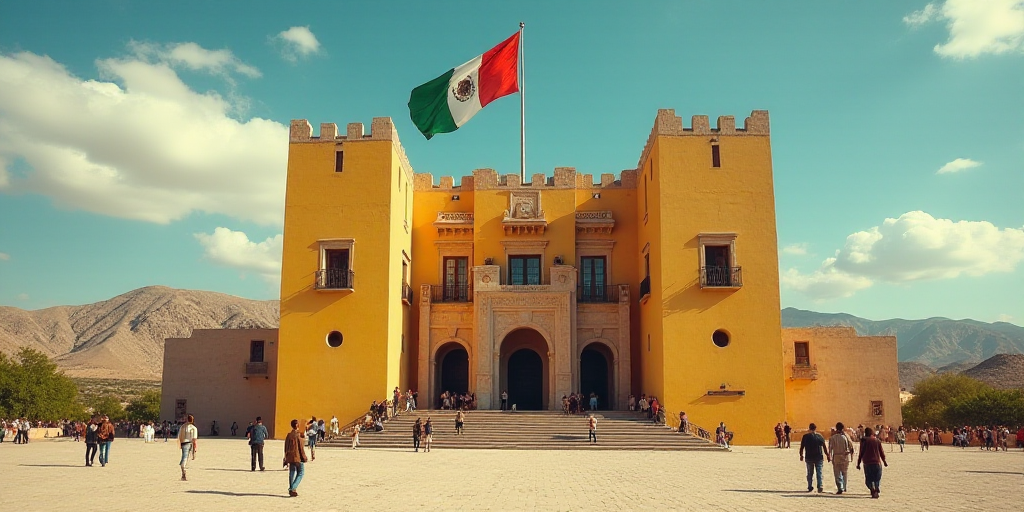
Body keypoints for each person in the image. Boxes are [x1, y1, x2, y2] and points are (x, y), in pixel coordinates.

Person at [799, 423, 831, 493]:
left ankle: (810, 486)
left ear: (809, 428)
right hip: (818, 457)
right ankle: (820, 486)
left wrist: (801, 455)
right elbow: (824, 446)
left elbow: (802, 447)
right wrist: (827, 455)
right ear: (815, 429)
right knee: (819, 472)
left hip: (809, 457)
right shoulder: (819, 436)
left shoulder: (805, 437)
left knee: (810, 473)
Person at [857, 427, 888, 498]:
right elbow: (881, 452)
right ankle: (876, 488)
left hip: (867, 463)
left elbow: (861, 453)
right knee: (877, 478)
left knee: (869, 479)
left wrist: (858, 463)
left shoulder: (864, 441)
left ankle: (872, 489)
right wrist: (884, 461)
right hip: (877, 462)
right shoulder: (877, 441)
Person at [828, 422, 855, 495]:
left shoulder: (833, 438)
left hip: (836, 456)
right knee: (844, 472)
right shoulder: (846, 437)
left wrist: (829, 456)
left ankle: (840, 487)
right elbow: (851, 448)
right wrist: (851, 456)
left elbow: (830, 448)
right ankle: (844, 487)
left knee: (837, 473)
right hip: (845, 456)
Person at [284, 419, 307, 497]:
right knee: (301, 473)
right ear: (297, 425)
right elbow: (301, 448)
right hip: (298, 457)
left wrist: (286, 457)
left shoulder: (289, 435)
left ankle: (291, 488)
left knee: (292, 472)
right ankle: (293, 488)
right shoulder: (298, 435)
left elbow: (286, 447)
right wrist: (304, 457)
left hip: (290, 457)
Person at [177, 414, 198, 481]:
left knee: (184, 456)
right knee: (186, 457)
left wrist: (180, 444)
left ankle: (183, 469)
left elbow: (179, 437)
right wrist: (195, 449)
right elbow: (194, 440)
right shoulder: (194, 428)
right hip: (189, 443)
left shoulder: (182, 427)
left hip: (183, 443)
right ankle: (183, 467)